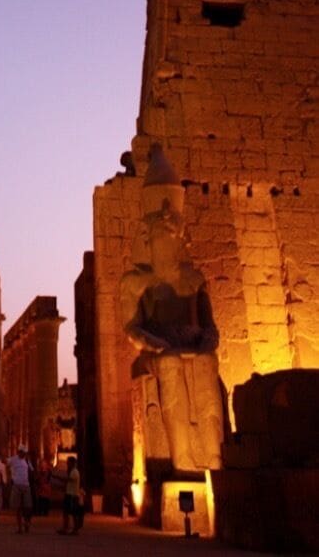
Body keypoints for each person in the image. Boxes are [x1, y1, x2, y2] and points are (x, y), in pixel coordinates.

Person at [120, 144, 223, 473]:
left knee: (206, 362)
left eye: (172, 231)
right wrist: (154, 342)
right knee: (169, 364)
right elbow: (132, 327)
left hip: (191, 343)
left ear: (181, 234)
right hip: (158, 349)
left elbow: (210, 325)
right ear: (147, 235)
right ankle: (183, 458)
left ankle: (213, 454)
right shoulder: (137, 282)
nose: (168, 237)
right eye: (161, 232)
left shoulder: (193, 279)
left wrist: (208, 339)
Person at [7, 444, 33, 534]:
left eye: (24, 453)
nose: (23, 454)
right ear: (18, 452)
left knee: (27, 506)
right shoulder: (13, 459)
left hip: (26, 485)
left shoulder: (27, 460)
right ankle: (20, 527)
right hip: (17, 485)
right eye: (22, 452)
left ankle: (26, 523)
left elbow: (31, 470)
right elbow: (5, 462)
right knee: (17, 507)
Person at [58, 456, 81, 535]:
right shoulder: (72, 471)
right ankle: (66, 528)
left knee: (73, 513)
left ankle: (75, 530)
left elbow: (69, 480)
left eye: (68, 462)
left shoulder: (74, 471)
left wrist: (58, 478)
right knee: (66, 512)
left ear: (72, 463)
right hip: (69, 494)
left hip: (72, 495)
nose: (67, 464)